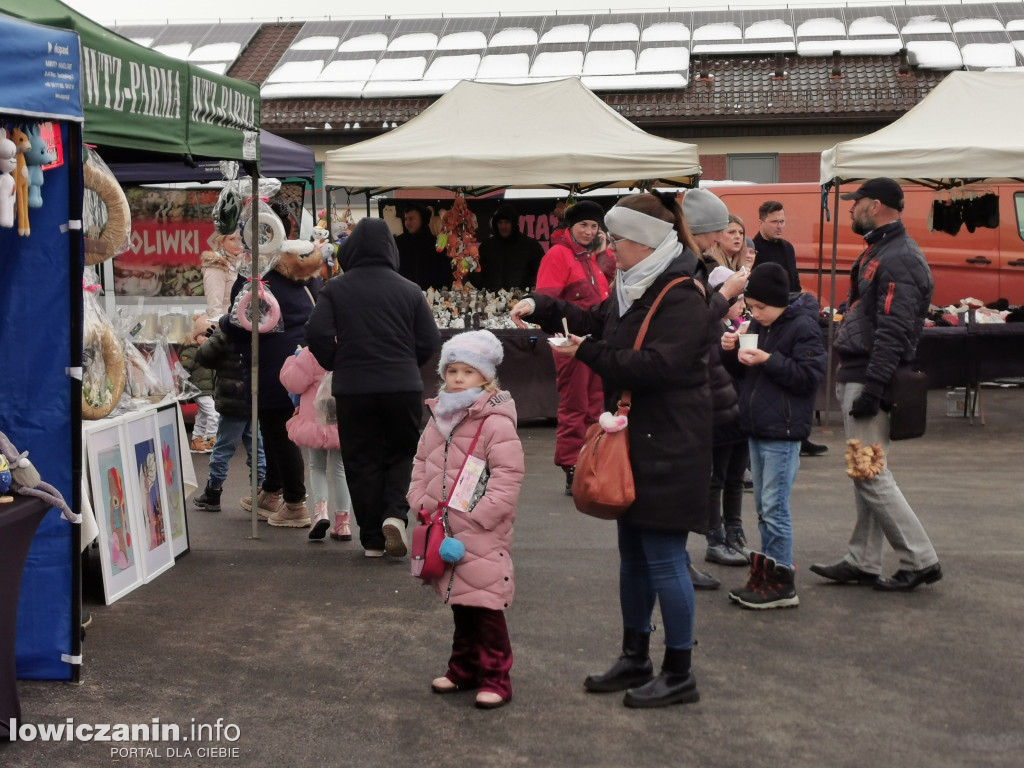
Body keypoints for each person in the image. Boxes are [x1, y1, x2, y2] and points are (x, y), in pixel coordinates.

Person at [511, 192, 712, 709]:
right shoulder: (631, 286)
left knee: (665, 559)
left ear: (643, 241)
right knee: (632, 559)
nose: (607, 247)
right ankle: (635, 655)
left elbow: (659, 367)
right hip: (634, 439)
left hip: (670, 441)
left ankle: (679, 670)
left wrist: (589, 354)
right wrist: (543, 307)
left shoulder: (683, 294)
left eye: (615, 238)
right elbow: (596, 320)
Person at [810, 178, 942, 592]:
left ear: (878, 205)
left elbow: (895, 330)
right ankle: (863, 559)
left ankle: (920, 558)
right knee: (865, 472)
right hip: (861, 372)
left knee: (868, 473)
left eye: (857, 202)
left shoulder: (898, 256)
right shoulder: (883, 249)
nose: (850, 209)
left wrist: (872, 388)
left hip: (869, 376)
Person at [306, 217, 441, 557]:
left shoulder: (335, 288)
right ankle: (395, 514)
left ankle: (372, 538)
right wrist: (408, 364)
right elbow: (430, 339)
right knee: (401, 453)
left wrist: (339, 361)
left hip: (355, 388)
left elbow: (317, 334)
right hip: (403, 387)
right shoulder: (410, 289)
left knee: (361, 457)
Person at [409, 330, 524, 710]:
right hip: (443, 525)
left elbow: (508, 476)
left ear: (486, 377)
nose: (457, 378)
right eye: (452, 370)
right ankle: (464, 668)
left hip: (480, 529)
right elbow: (421, 461)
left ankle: (496, 677)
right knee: (461, 601)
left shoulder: (495, 422)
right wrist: (419, 500)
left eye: (467, 372)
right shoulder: (438, 416)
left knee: (486, 604)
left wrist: (480, 516)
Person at [721, 263, 827, 609]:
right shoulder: (759, 324)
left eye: (761, 307)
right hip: (757, 425)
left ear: (779, 301)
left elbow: (809, 377)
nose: (755, 313)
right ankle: (766, 573)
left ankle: (782, 580)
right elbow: (743, 373)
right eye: (751, 307)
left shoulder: (803, 327)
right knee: (764, 508)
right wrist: (731, 351)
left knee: (775, 506)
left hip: (783, 429)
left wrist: (768, 359)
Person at [223, 237, 323, 528]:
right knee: (276, 426)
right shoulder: (306, 271)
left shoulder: (258, 276)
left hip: (269, 362)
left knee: (278, 431)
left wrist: (221, 323)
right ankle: (272, 490)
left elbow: (242, 321)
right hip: (301, 358)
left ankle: (294, 501)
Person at [533, 199, 611, 495]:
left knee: (595, 404)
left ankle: (590, 460)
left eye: (594, 226)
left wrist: (602, 253)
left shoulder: (590, 256)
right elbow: (546, 301)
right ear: (570, 227)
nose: (589, 231)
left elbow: (608, 281)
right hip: (570, 343)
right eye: (584, 225)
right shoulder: (558, 255)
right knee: (576, 405)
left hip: (593, 342)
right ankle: (571, 467)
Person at [753, 200, 829, 458]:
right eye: (775, 221)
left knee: (795, 375)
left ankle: (801, 435)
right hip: (768, 319)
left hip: (791, 313)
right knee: (778, 375)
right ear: (761, 221)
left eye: (783, 221)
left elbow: (794, 282)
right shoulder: (754, 248)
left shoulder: (787, 248)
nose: (780, 226)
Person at [280, 346, 352, 542]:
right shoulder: (349, 346)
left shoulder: (311, 352)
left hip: (315, 417)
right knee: (340, 469)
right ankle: (343, 523)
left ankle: (321, 513)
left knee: (316, 466)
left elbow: (293, 382)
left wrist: (291, 359)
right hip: (342, 415)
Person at [192, 325, 267, 513]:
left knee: (223, 449)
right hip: (256, 398)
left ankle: (213, 492)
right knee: (257, 449)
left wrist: (214, 336)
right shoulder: (266, 324)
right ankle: (260, 492)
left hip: (233, 400)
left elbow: (204, 357)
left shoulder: (229, 326)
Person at [477, 203, 545, 291]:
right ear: (495, 224)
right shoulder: (486, 246)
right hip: (491, 302)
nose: (503, 226)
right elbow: (478, 272)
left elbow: (541, 273)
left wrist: (528, 292)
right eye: (500, 222)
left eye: (507, 222)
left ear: (514, 223)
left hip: (523, 301)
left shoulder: (531, 246)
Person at [178, 314, 218, 453]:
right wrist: (185, 387)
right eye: (202, 335)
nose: (206, 339)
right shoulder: (191, 351)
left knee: (202, 416)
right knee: (214, 413)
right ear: (196, 336)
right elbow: (183, 371)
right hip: (199, 389)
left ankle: (197, 440)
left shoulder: (209, 351)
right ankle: (210, 439)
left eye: (209, 336)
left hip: (207, 389)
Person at [395, 202, 450, 290]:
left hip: (431, 298)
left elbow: (445, 272)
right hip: (404, 296)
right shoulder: (398, 243)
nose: (407, 223)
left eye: (411, 218)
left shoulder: (435, 243)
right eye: (406, 219)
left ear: (422, 219)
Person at [201, 231, 245, 319]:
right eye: (232, 239)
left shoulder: (243, 265)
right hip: (226, 324)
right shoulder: (217, 266)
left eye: (240, 239)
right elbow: (214, 308)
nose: (237, 243)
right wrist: (222, 328)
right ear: (221, 242)